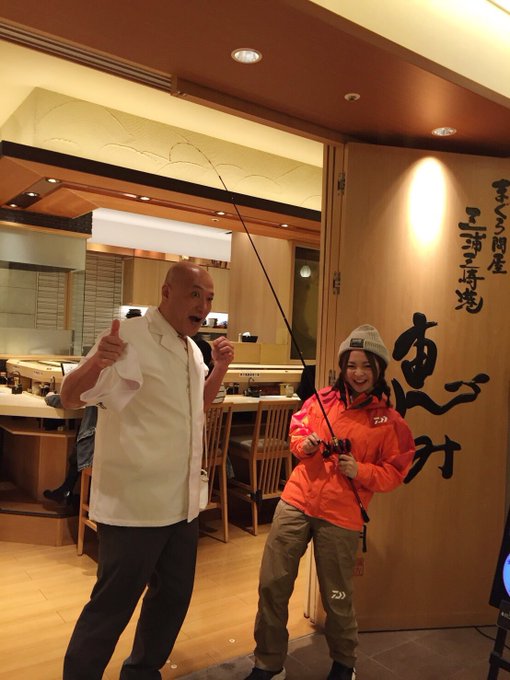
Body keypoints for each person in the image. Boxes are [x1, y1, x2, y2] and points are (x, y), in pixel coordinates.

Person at [60, 261, 234, 680]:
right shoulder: (130, 336)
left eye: (209, 298)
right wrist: (97, 363)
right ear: (167, 292)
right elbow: (69, 397)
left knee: (172, 599)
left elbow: (197, 408)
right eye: (195, 294)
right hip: (134, 505)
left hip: (183, 504)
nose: (204, 305)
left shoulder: (192, 348)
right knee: (111, 606)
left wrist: (219, 370)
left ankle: (141, 672)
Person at [245, 324, 415, 680]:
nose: (358, 373)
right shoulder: (321, 399)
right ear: (342, 367)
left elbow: (395, 471)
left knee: (336, 594)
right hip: (296, 500)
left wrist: (360, 471)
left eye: (366, 366)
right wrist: (304, 445)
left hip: (342, 514)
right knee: (272, 584)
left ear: (379, 369)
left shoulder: (390, 421)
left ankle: (344, 663)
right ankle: (268, 663)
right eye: (351, 365)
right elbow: (297, 431)